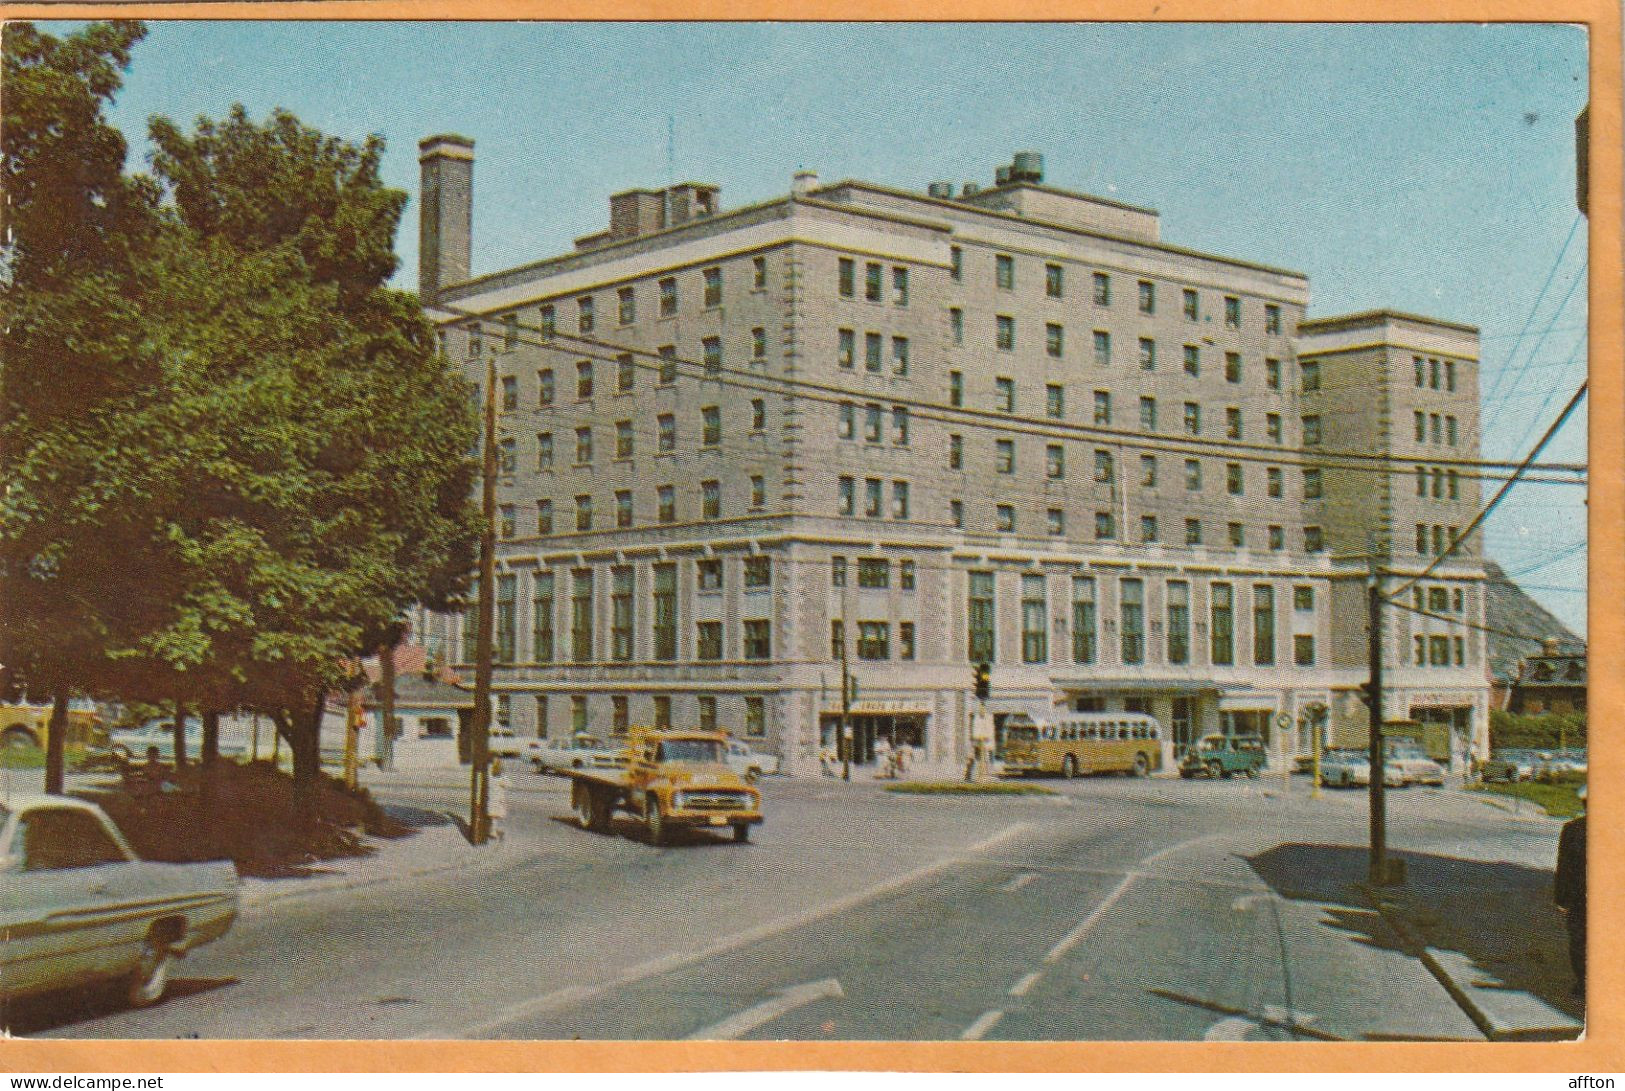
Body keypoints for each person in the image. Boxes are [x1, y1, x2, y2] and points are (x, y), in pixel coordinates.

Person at [1554, 789, 1587, 997]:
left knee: (1579, 940)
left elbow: (1564, 867)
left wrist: (1562, 899)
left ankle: (1583, 983)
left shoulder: (1572, 829)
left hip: (1580, 898)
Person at [487, 758, 509, 843]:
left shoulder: (490, 777)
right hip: (498, 799)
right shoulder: (502, 778)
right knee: (495, 817)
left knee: (492, 816)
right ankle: (492, 832)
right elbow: (508, 784)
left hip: (491, 798)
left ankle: (491, 830)